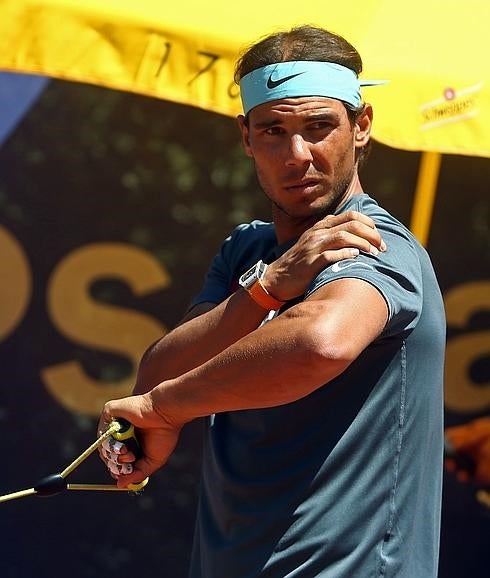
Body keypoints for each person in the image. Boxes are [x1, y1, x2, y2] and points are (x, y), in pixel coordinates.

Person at [98, 25, 446, 578]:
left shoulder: (374, 240)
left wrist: (166, 410)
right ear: (246, 137)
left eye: (318, 127)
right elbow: (161, 370)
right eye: (273, 131)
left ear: (361, 126)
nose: (297, 155)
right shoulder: (248, 250)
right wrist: (267, 287)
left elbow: (319, 343)